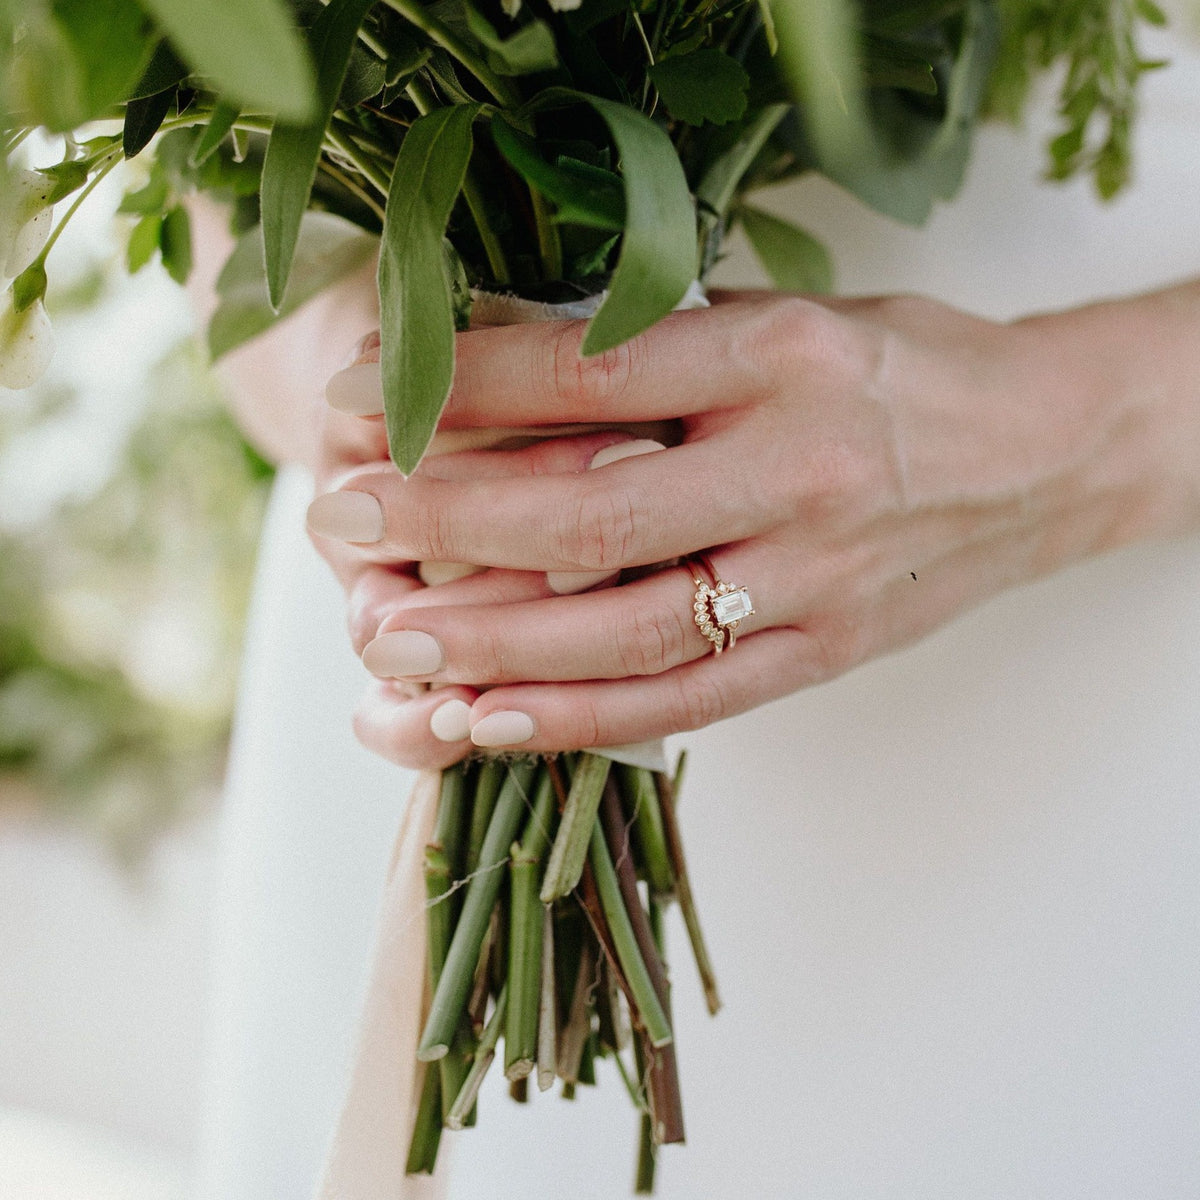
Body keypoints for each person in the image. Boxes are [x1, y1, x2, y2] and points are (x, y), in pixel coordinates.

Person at [197, 12, 1200, 1198]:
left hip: (1104, 647)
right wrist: (364, 386)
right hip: (444, 603)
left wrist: (1066, 434)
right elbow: (204, 138)